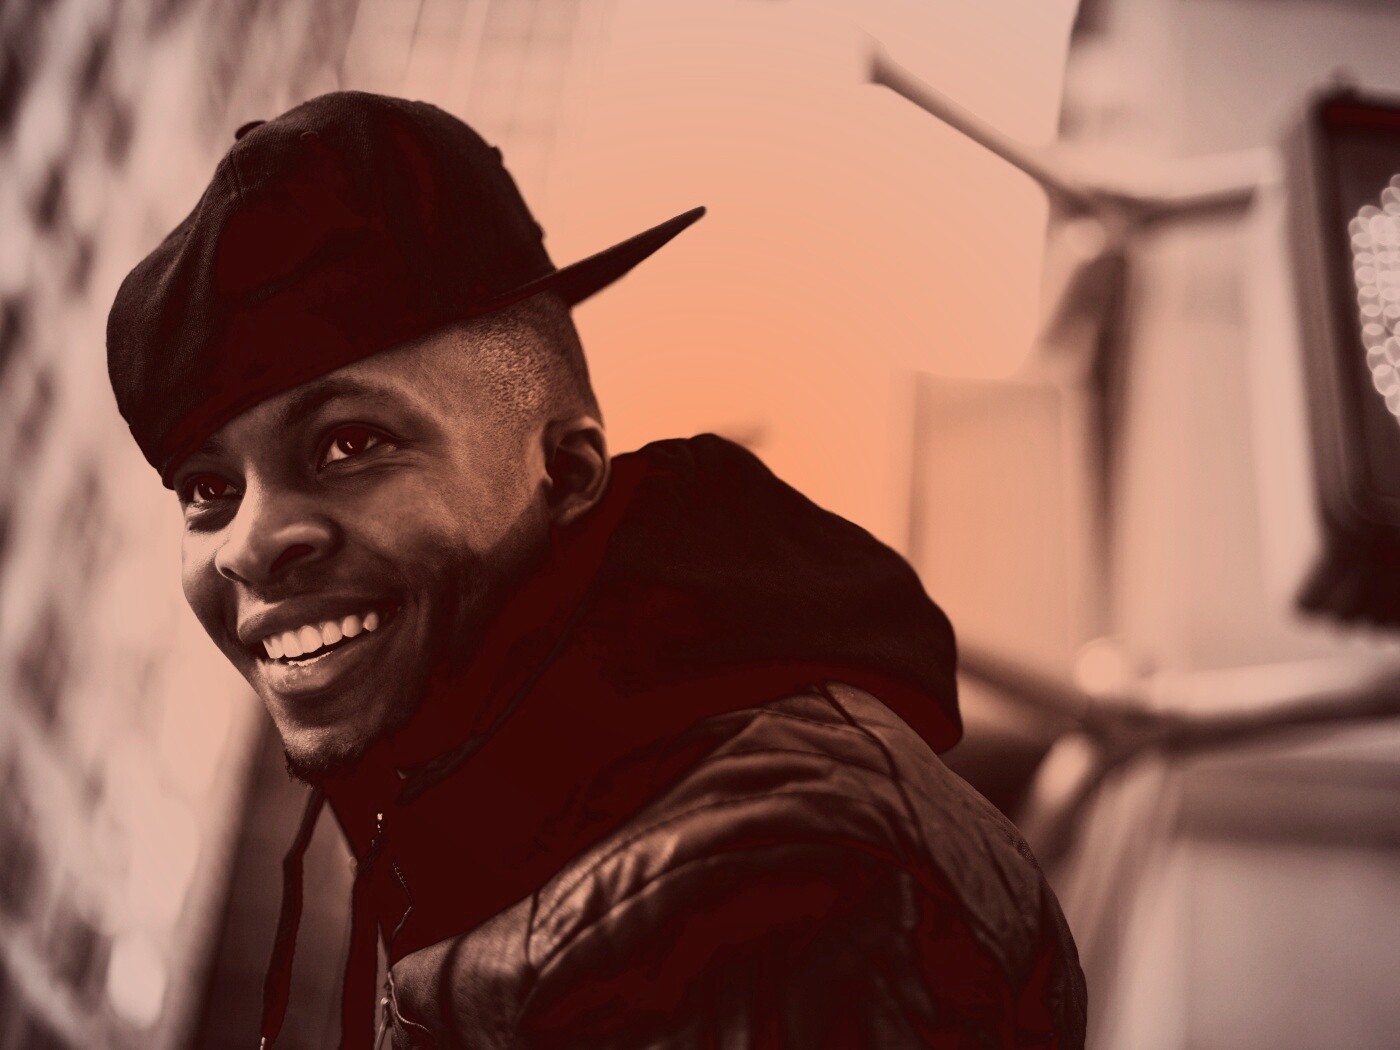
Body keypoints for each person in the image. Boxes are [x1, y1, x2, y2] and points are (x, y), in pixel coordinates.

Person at [106, 91, 1085, 1049]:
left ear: (566, 471)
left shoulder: (750, 899)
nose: (246, 544)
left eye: (350, 443)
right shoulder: (519, 815)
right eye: (207, 490)